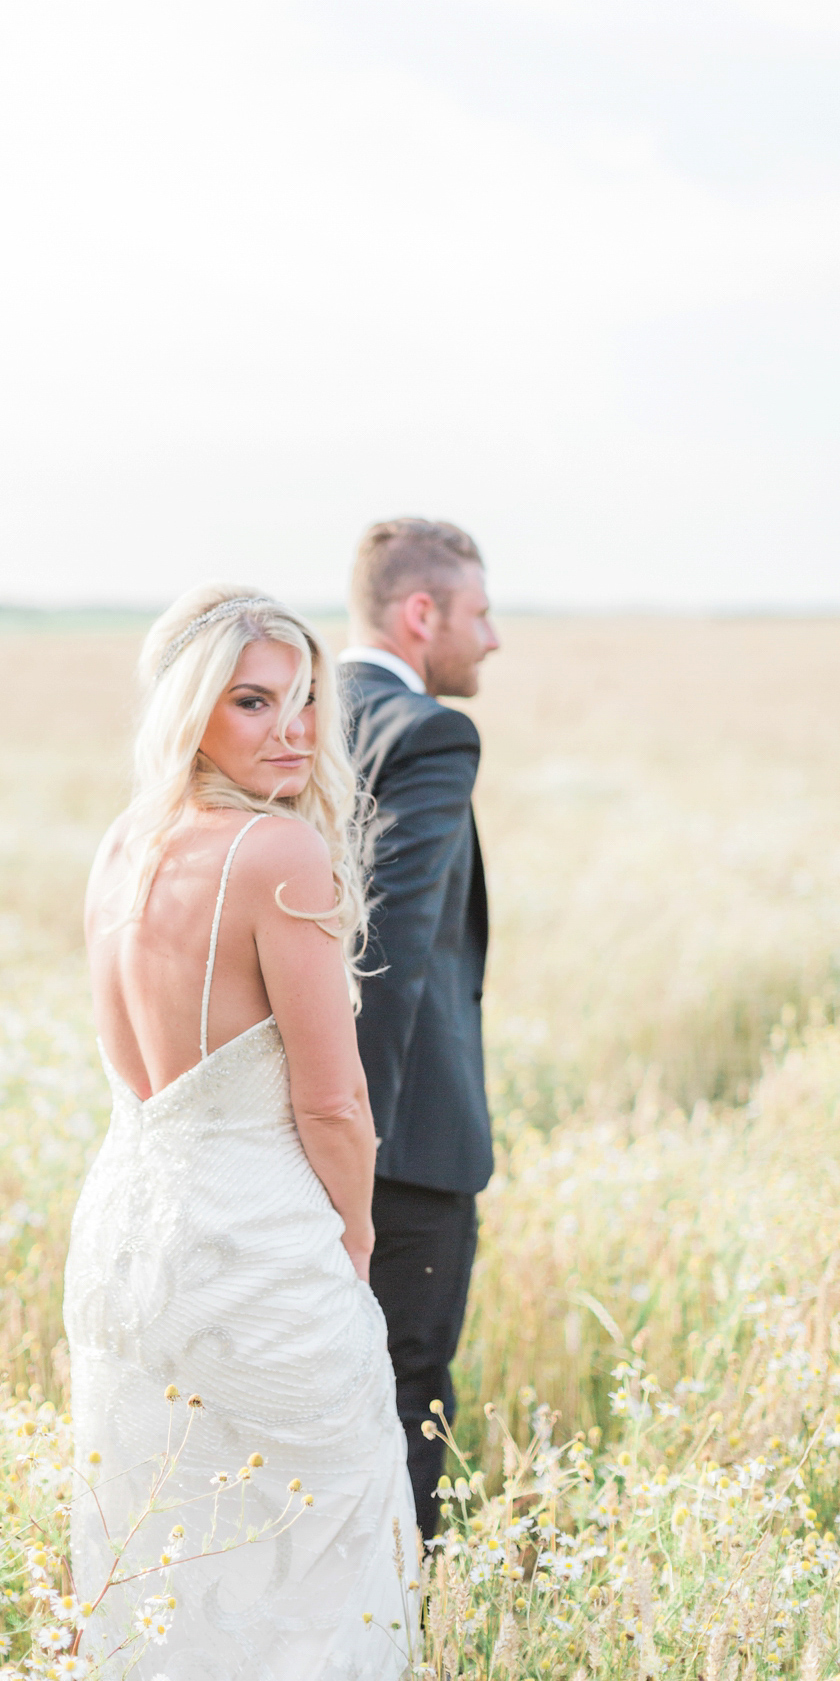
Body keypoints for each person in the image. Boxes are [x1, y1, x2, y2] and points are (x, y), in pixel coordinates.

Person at [64, 586, 419, 1681]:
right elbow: (331, 1099)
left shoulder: (124, 843)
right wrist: (353, 1245)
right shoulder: (278, 850)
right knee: (325, 1576)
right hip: (256, 1254)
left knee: (164, 1573)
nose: (294, 729)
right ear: (188, 711)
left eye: (307, 698)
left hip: (124, 1247)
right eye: (253, 701)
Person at [338, 518, 500, 1542]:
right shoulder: (429, 733)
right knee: (406, 1397)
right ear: (421, 611)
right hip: (400, 1150)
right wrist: (348, 1163)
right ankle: (409, 1643)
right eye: (480, 613)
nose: (493, 639)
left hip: (283, 1126)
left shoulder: (290, 718)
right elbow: (386, 961)